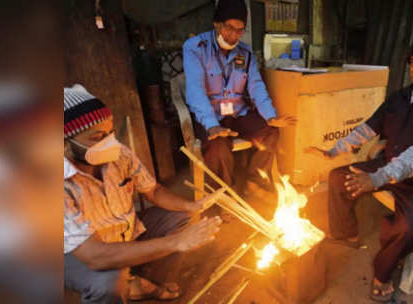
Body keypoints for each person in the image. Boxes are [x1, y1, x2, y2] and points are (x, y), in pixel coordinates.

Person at [307, 26, 413, 302]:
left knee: (409, 227)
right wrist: (334, 150)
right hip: (388, 163)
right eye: (412, 62)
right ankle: (347, 235)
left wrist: (379, 177)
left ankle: (383, 272)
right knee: (337, 178)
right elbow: (369, 127)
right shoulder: (400, 97)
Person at [64, 84, 224, 303]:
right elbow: (94, 256)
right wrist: (176, 242)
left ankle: (144, 281)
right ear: (64, 144)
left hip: (123, 234)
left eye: (110, 132)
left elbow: (154, 191)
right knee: (108, 282)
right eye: (96, 137)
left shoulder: (118, 154)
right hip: (77, 254)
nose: (109, 142)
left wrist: (191, 206)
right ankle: (125, 284)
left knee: (182, 218)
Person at [183, 0, 296, 193]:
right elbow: (195, 91)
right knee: (218, 147)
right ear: (217, 23)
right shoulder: (195, 48)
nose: (234, 35)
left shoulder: (245, 52)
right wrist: (211, 125)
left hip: (237, 114)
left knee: (270, 132)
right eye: (229, 28)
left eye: (240, 30)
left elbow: (256, 86)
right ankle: (227, 193)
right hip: (211, 116)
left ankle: (254, 180)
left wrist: (270, 115)